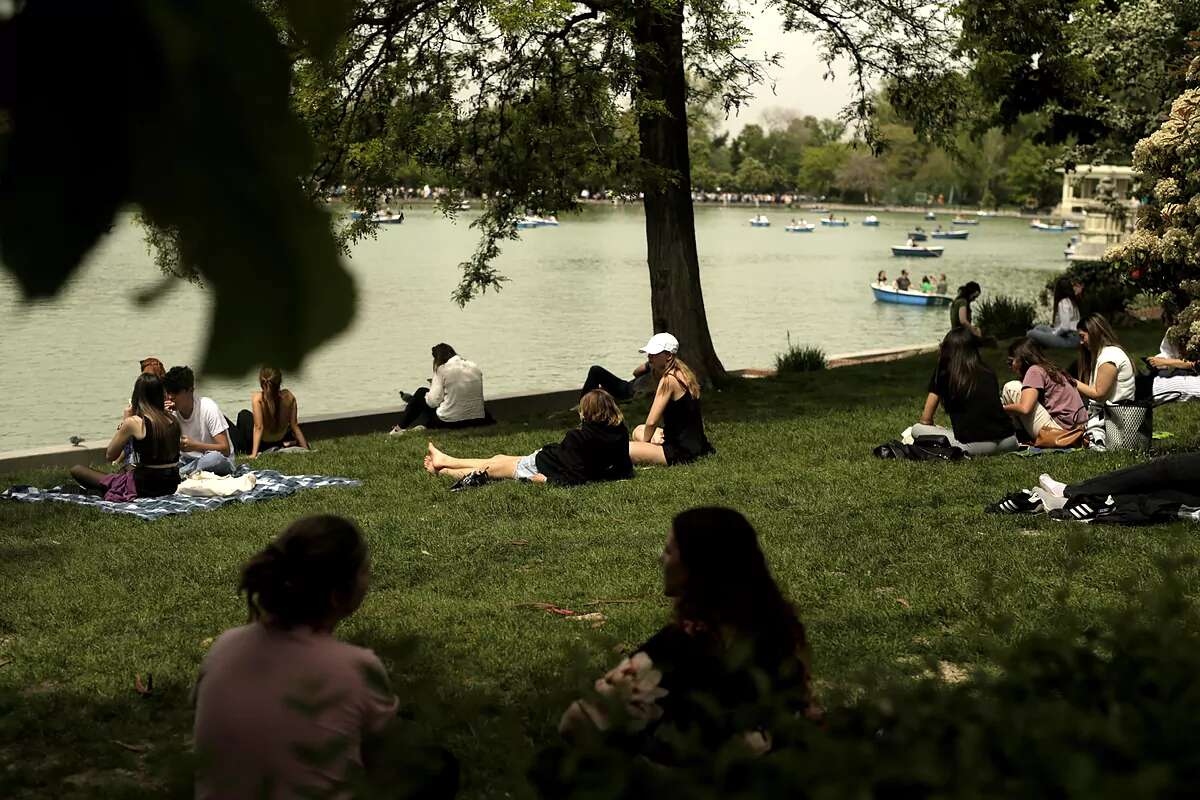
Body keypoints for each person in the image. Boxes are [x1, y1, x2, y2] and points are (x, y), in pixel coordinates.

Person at [557, 507, 813, 764]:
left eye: (669, 551)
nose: (661, 558)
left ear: (695, 566)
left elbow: (577, 722)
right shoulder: (779, 629)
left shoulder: (683, 645)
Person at [192, 516, 414, 800]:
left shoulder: (224, 648)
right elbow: (387, 763)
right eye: (365, 570)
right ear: (337, 595)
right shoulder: (354, 669)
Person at [424, 389, 634, 487]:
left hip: (539, 467)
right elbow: (624, 469)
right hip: (544, 459)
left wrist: (549, 481)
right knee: (498, 457)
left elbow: (576, 476)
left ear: (587, 412)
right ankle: (446, 461)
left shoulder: (578, 437)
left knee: (489, 470)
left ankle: (441, 469)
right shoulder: (618, 432)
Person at [70, 373, 182, 500]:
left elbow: (110, 455)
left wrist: (125, 421)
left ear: (137, 395)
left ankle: (105, 488)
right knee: (126, 469)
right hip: (170, 485)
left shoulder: (134, 422)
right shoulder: (172, 419)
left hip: (146, 487)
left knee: (77, 470)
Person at [910, 328, 1019, 456]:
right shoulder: (988, 372)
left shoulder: (944, 373)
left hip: (974, 446)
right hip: (1010, 441)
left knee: (916, 429)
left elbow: (926, 420)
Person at [628, 333, 715, 466]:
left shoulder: (668, 380)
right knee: (638, 430)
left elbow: (652, 422)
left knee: (625, 448)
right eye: (649, 353)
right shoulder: (683, 373)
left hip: (680, 451)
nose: (649, 357)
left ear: (669, 355)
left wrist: (643, 446)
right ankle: (651, 445)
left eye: (654, 353)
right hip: (697, 444)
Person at [391, 343, 488, 433]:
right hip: (477, 420)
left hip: (453, 422)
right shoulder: (474, 366)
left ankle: (398, 429)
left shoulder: (442, 369)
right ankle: (424, 426)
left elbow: (432, 402)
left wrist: (433, 387)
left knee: (421, 392)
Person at [1001, 337, 1086, 440]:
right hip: (1077, 428)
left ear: (1022, 359)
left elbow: (1025, 408)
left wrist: (999, 409)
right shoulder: (1049, 369)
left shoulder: (1034, 371)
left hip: (1060, 432)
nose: (1009, 366)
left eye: (1011, 362)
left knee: (1011, 387)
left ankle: (1018, 434)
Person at [1073, 314, 1136, 449]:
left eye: (1082, 337)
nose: (1081, 342)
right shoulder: (1102, 354)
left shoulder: (1110, 356)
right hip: (1107, 415)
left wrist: (1072, 382)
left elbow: (1099, 394)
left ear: (1094, 333)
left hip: (1116, 418)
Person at [163, 366, 236, 477]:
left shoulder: (207, 407)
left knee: (215, 459)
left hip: (215, 460)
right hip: (187, 461)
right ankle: (184, 473)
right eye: (168, 392)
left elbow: (225, 449)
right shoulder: (170, 413)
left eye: (175, 392)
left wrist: (195, 446)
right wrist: (162, 419)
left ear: (190, 390)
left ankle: (179, 474)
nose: (170, 397)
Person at [231, 367, 311, 458]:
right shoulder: (289, 396)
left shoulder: (258, 398)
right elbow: (294, 425)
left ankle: (240, 448)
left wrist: (254, 454)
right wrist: (305, 448)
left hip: (262, 445)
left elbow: (259, 427)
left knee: (244, 415)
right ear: (279, 381)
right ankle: (288, 443)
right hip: (279, 440)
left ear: (261, 383)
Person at [1026, 277, 1082, 349]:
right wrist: (1054, 331)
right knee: (1039, 327)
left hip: (1070, 339)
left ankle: (1037, 346)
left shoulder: (1063, 302)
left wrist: (1055, 333)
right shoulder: (1072, 300)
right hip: (1075, 336)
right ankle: (1042, 345)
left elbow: (1065, 327)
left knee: (1030, 333)